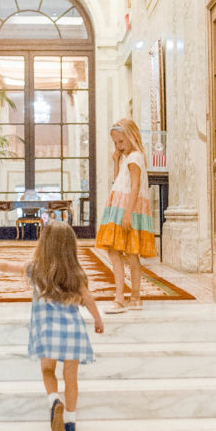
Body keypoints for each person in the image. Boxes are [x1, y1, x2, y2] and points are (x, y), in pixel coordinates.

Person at [0, 221, 103, 431]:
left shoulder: (36, 269)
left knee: (48, 370)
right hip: (73, 332)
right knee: (71, 378)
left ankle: (54, 399)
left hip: (47, 331)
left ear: (44, 245)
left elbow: (4, 265)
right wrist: (98, 320)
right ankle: (71, 421)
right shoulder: (76, 273)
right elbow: (89, 299)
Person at [95, 117, 157, 313]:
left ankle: (121, 298)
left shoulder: (134, 158)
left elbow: (135, 186)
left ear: (132, 137)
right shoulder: (130, 158)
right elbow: (118, 182)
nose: (118, 146)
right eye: (115, 143)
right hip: (122, 206)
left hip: (125, 208)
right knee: (129, 253)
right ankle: (134, 297)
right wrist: (116, 161)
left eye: (121, 142)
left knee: (116, 251)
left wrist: (127, 213)